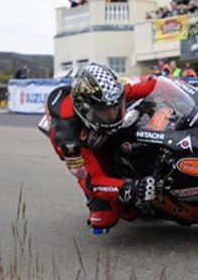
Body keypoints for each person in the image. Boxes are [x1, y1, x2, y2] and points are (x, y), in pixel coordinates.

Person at [45, 63, 159, 233]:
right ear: (85, 109)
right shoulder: (69, 141)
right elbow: (91, 182)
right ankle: (97, 207)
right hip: (87, 147)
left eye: (115, 108)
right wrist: (129, 188)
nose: (113, 115)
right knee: (107, 216)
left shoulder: (107, 95)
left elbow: (145, 87)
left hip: (96, 128)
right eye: (104, 112)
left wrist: (184, 87)